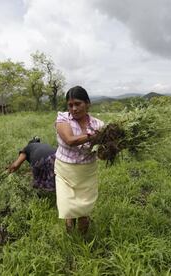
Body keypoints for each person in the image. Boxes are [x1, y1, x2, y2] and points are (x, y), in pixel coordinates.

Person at [54, 86, 104, 234]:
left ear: (87, 103)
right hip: (65, 171)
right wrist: (93, 136)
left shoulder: (98, 125)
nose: (74, 108)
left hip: (87, 172)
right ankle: (69, 234)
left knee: (83, 210)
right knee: (68, 207)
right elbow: (70, 140)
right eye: (70, 105)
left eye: (78, 104)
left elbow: (101, 152)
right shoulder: (63, 119)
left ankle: (82, 241)